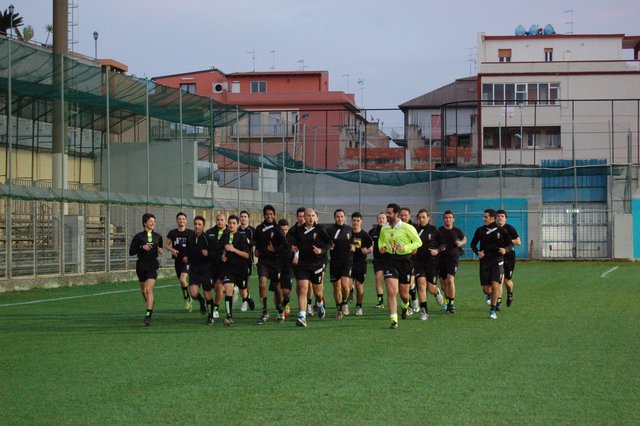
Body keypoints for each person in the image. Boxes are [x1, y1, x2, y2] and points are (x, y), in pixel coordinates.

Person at [379, 203, 423, 329]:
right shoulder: (384, 228)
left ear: (396, 214)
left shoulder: (407, 227)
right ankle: (394, 319)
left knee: (404, 294)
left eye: (389, 213)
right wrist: (381, 247)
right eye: (386, 213)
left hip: (405, 261)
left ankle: (405, 306)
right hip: (390, 260)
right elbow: (381, 241)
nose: (387, 215)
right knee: (392, 290)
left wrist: (405, 247)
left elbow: (418, 242)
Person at [290, 207, 332, 327]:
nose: (310, 218)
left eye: (313, 216)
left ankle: (319, 304)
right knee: (302, 288)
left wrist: (321, 250)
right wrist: (293, 248)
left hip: (316, 264)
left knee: (318, 292)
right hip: (303, 264)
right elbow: (293, 243)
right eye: (308, 216)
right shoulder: (298, 230)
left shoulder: (320, 229)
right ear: (304, 217)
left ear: (315, 217)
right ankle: (302, 316)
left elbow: (329, 243)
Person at [470, 209, 514, 319]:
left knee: (496, 285)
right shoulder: (480, 230)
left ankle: (492, 310)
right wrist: (478, 252)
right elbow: (473, 244)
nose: (483, 218)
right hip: (485, 262)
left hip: (497, 261)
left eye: (486, 217)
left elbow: (510, 244)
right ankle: (489, 295)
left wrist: (505, 250)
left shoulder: (501, 230)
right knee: (486, 289)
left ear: (492, 218)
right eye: (483, 216)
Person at [254, 204, 289, 324]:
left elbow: (285, 246)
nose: (269, 216)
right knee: (262, 284)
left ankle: (280, 311)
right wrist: (256, 250)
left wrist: (275, 249)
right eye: (267, 214)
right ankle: (264, 312)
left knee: (276, 287)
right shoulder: (259, 228)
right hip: (263, 261)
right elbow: (256, 241)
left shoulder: (278, 229)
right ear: (264, 215)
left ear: (274, 215)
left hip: (275, 262)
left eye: (271, 214)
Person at [129, 213, 163, 326]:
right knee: (144, 290)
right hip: (141, 266)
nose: (153, 223)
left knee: (149, 289)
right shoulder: (138, 237)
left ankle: (148, 315)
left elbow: (160, 248)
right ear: (145, 223)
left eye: (154, 221)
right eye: (150, 221)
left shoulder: (158, 236)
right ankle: (150, 302)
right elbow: (131, 252)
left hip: (153, 265)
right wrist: (141, 247)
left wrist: (160, 250)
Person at [414, 209, 446, 320]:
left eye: (424, 217)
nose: (421, 219)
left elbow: (443, 243)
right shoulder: (414, 230)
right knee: (421, 284)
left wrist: (437, 250)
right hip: (418, 262)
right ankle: (424, 312)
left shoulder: (434, 230)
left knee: (431, 287)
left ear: (428, 217)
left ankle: (437, 292)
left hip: (432, 263)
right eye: (420, 217)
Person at [220, 215, 251, 326]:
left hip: (241, 269)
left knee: (243, 292)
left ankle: (248, 298)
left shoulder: (242, 237)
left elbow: (247, 255)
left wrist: (234, 249)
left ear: (238, 224)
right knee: (228, 290)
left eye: (234, 223)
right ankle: (229, 315)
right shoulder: (225, 236)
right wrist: (223, 255)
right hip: (228, 268)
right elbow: (223, 249)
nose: (232, 225)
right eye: (230, 223)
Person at [326, 209, 354, 318]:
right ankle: (339, 308)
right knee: (336, 287)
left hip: (346, 261)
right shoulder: (329, 230)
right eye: (338, 216)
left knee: (344, 285)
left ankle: (345, 303)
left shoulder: (349, 229)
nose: (340, 218)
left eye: (342, 216)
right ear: (334, 218)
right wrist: (329, 246)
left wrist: (353, 246)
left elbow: (354, 242)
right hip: (334, 262)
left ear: (345, 217)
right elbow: (325, 243)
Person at [183, 216, 211, 322]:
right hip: (194, 269)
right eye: (195, 224)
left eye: (199, 224)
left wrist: (208, 254)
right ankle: (201, 301)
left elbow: (213, 253)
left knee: (207, 293)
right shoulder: (189, 237)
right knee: (194, 293)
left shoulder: (207, 238)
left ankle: (210, 315)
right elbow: (186, 250)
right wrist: (185, 257)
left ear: (203, 226)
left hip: (205, 270)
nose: (197, 226)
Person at [438, 210, 467, 313]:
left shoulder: (457, 230)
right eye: (446, 217)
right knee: (443, 284)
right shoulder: (439, 231)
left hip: (453, 258)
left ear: (453, 219)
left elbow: (464, 239)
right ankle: (446, 299)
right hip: (440, 259)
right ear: (443, 219)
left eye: (450, 217)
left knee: (450, 280)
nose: (448, 219)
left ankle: (451, 304)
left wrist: (460, 243)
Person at [165, 212, 194, 311]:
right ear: (177, 220)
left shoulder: (191, 233)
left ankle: (189, 298)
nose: (181, 220)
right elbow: (167, 245)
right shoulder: (173, 233)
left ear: (186, 220)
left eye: (183, 219)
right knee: (182, 282)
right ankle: (187, 299)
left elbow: (195, 246)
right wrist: (172, 250)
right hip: (177, 261)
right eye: (179, 219)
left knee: (183, 279)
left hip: (188, 261)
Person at [496, 209, 521, 309]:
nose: (500, 218)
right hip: (498, 257)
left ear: (506, 218)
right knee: (499, 281)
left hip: (509, 257)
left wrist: (506, 239)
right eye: (498, 216)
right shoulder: (493, 228)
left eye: (502, 216)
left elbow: (518, 242)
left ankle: (510, 294)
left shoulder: (510, 228)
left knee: (507, 281)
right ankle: (498, 302)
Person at [205, 213, 227, 319]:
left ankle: (216, 308)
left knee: (219, 286)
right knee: (211, 288)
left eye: (222, 220)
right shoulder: (209, 233)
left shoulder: (229, 233)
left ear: (225, 221)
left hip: (224, 266)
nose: (220, 221)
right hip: (210, 266)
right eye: (218, 220)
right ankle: (212, 303)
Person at [350, 211, 373, 316]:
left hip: (360, 264)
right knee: (347, 285)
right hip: (348, 263)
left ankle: (359, 306)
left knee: (359, 286)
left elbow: (371, 248)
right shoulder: (348, 233)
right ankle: (350, 291)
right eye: (354, 220)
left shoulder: (365, 235)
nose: (355, 223)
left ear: (361, 221)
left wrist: (367, 251)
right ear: (351, 221)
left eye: (358, 221)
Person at [399, 207, 419, 315]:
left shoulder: (414, 227)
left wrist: (414, 247)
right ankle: (410, 304)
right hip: (401, 259)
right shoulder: (396, 228)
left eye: (405, 215)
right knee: (405, 285)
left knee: (409, 283)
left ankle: (413, 302)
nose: (403, 217)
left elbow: (419, 241)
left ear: (409, 216)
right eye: (401, 215)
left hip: (413, 259)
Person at [237, 210, 256, 312]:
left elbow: (257, 242)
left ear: (248, 218)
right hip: (235, 261)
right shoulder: (237, 229)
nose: (243, 218)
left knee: (246, 282)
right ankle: (247, 298)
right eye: (242, 216)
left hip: (247, 260)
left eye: (245, 216)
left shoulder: (252, 230)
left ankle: (245, 301)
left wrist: (250, 242)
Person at [369, 212, 387, 309]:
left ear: (386, 220)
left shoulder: (390, 230)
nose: (381, 220)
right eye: (379, 218)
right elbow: (370, 245)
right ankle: (380, 302)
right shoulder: (372, 231)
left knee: (390, 282)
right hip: (378, 260)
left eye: (383, 218)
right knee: (378, 279)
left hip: (389, 260)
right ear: (377, 219)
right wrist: (369, 249)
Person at [278, 218, 294, 323]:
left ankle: (286, 302)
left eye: (286, 229)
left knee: (286, 292)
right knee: (277, 290)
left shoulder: (291, 239)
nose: (284, 232)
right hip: (276, 266)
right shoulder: (275, 238)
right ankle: (280, 313)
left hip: (288, 267)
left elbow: (297, 249)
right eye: (282, 230)